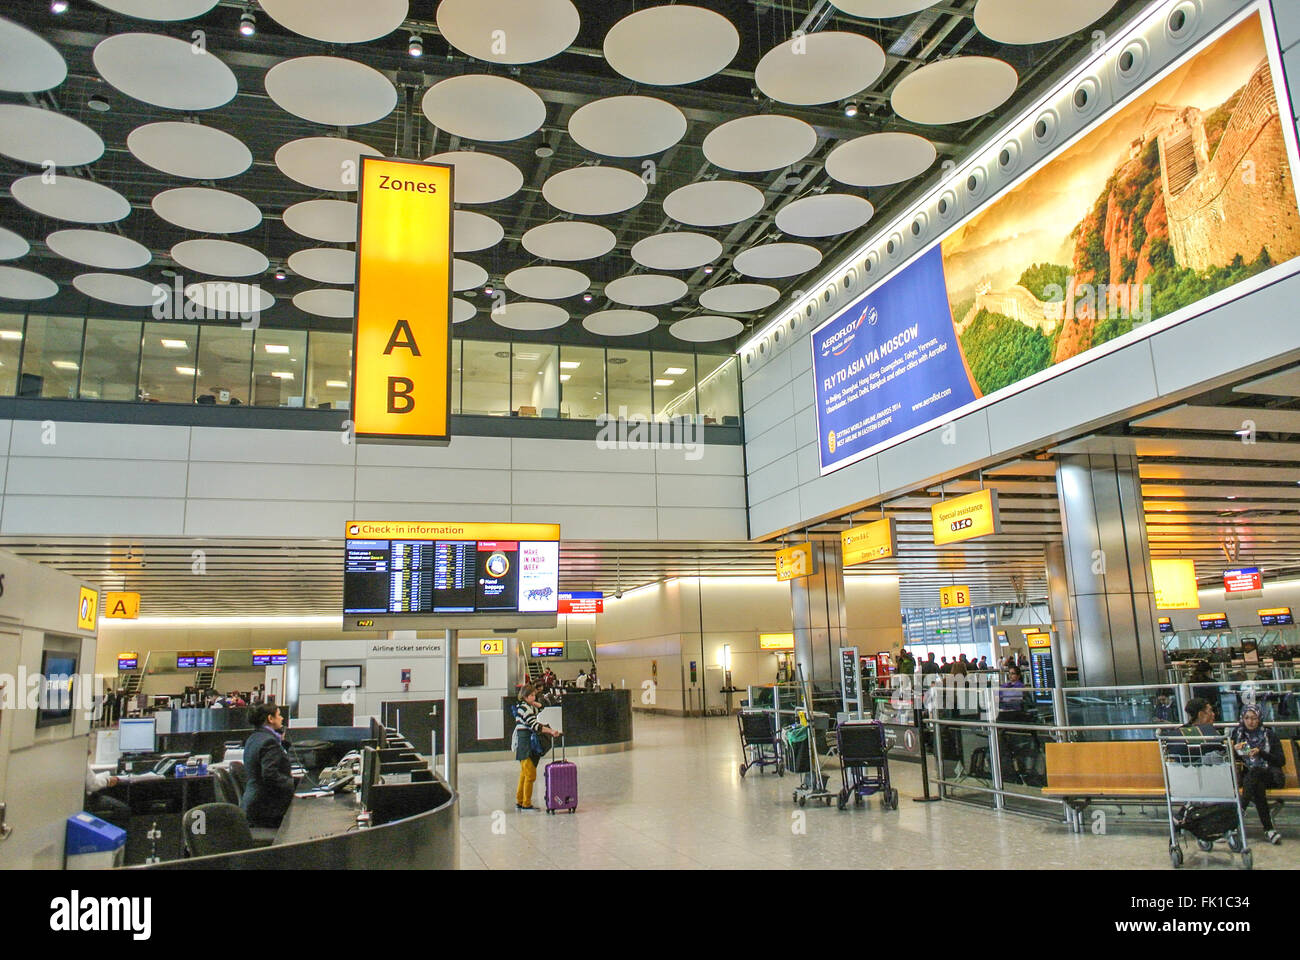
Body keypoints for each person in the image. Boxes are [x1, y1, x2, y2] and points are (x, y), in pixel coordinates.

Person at [1231, 706, 1283, 844]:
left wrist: (1261, 753)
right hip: (1251, 779)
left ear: (1259, 719)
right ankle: (1269, 829)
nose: (1250, 721)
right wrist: (1234, 751)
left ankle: (1240, 809)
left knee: (1255, 773)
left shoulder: (1269, 734)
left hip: (1271, 775)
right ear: (1242, 718)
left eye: (1254, 718)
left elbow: (1280, 760)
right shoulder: (1238, 734)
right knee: (1257, 786)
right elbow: (1229, 759)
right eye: (1247, 718)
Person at [240, 704, 296, 829]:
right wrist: (294, 784)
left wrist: (282, 742)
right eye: (279, 715)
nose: (282, 718)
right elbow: (270, 775)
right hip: (266, 810)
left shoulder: (254, 738)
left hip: (254, 804)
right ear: (270, 719)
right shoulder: (268, 741)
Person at [512, 683, 562, 811]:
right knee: (530, 775)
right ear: (525, 696)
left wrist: (534, 703)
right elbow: (535, 726)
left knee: (524, 773)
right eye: (532, 695)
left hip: (525, 743)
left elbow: (542, 707)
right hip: (525, 743)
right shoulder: (525, 708)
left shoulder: (525, 706)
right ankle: (526, 803)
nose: (534, 698)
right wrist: (551, 731)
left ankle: (520, 800)